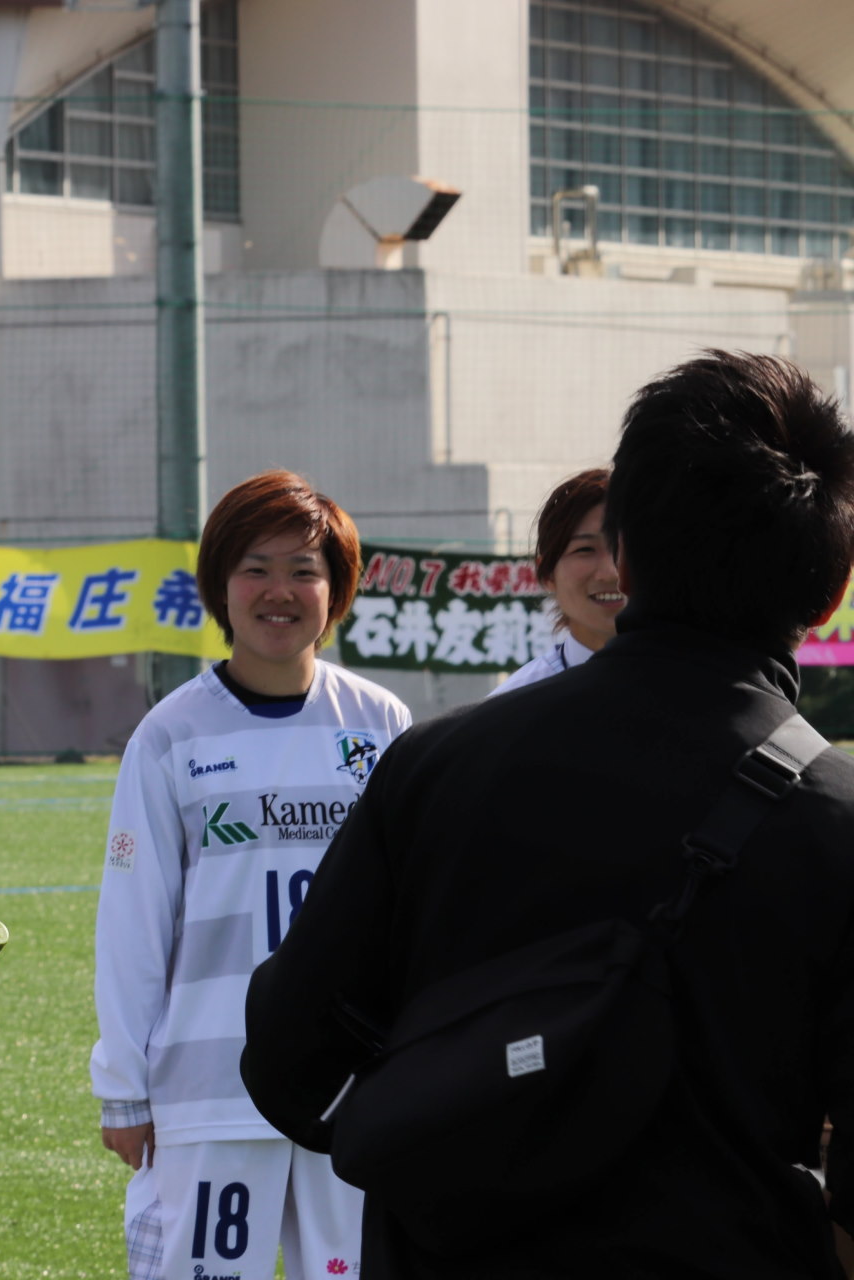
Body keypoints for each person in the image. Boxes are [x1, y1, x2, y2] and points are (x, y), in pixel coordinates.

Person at [241, 350, 854, 1278]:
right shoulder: (835, 822)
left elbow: (289, 1063)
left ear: (626, 555)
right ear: (833, 588)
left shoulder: (434, 766)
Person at [90, 470, 412, 1280]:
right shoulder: (171, 734)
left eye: (304, 570)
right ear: (220, 586)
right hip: (210, 1086)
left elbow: (413, 914)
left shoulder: (381, 725)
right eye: (255, 568)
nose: (280, 591)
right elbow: (133, 921)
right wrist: (123, 1086)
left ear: (336, 589)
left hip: (349, 1082)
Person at [489, 467, 622, 696]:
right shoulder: (514, 705)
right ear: (548, 574)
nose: (611, 573)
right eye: (585, 549)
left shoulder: (689, 685)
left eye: (627, 547)